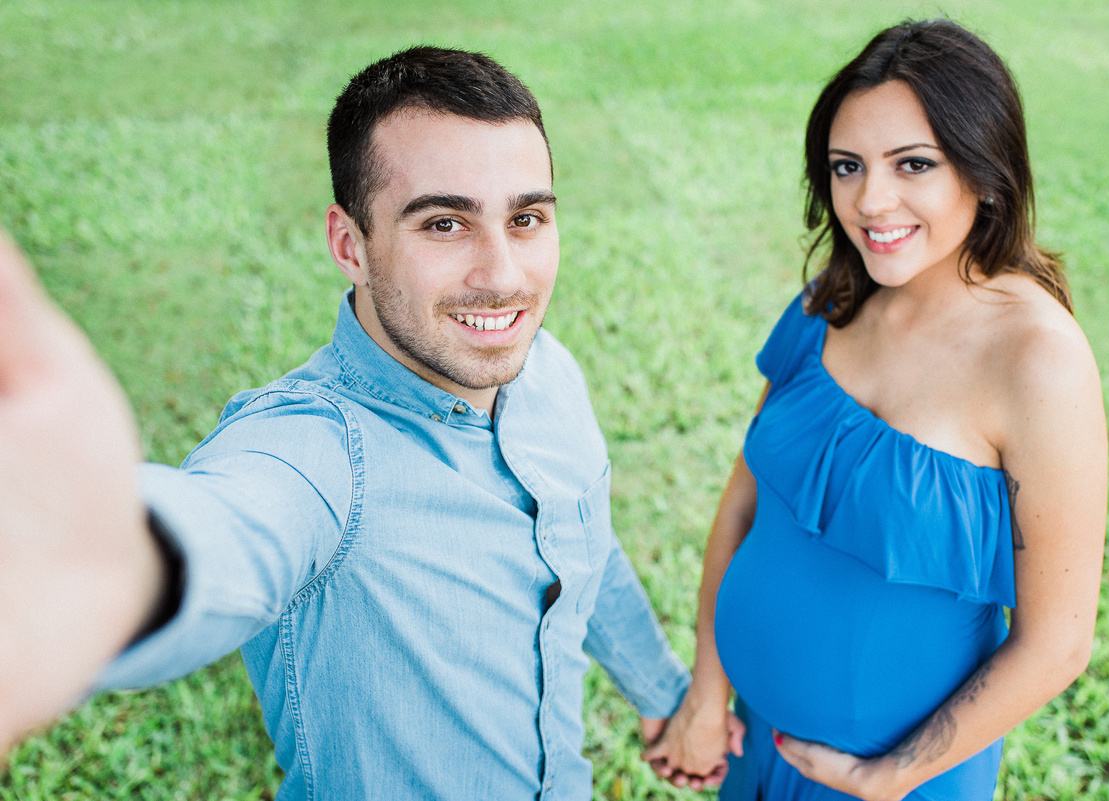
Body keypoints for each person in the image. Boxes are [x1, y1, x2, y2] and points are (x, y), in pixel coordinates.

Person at [0, 46, 737, 799]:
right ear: (350, 244)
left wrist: (668, 697)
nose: (504, 273)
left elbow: (587, 543)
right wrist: (107, 564)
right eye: (445, 223)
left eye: (525, 218)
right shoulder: (317, 451)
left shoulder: (549, 373)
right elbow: (234, 523)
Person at [642, 19, 1108, 801]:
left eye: (913, 164)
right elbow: (745, 502)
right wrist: (706, 689)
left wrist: (891, 774)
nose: (869, 200)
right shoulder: (829, 300)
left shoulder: (1039, 363)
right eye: (846, 166)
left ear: (986, 172)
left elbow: (1057, 643)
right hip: (753, 742)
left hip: (891, 783)